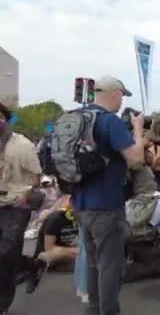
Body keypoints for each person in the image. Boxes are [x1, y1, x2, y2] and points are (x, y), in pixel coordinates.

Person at [72, 75, 146, 315]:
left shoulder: (78, 117)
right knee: (110, 266)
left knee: (94, 262)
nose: (121, 102)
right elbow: (136, 160)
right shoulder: (109, 121)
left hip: (81, 203)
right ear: (115, 94)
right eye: (122, 97)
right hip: (106, 204)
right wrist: (137, 129)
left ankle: (93, 309)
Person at [0, 101, 47, 314]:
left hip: (15, 204)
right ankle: (30, 265)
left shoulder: (22, 145)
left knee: (5, 253)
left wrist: (26, 193)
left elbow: (36, 179)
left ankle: (2, 304)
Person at [33, 197, 79, 272]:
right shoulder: (56, 218)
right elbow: (49, 249)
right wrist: (76, 251)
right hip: (50, 257)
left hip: (70, 255)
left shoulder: (83, 219)